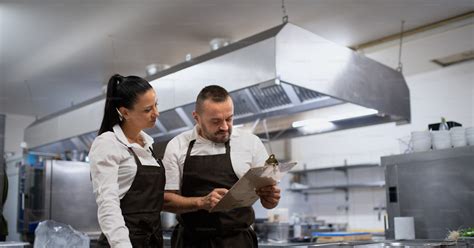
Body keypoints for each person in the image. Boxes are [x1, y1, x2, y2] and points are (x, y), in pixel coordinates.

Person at [162, 85, 281, 248]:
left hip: (238, 241)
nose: (225, 127)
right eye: (216, 121)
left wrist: (271, 198)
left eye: (229, 119)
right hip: (191, 241)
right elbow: (166, 201)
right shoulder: (177, 146)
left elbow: (269, 202)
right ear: (196, 118)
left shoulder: (251, 143)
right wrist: (201, 202)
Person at [89, 74, 165, 248]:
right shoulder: (108, 143)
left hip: (152, 241)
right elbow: (108, 204)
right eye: (148, 110)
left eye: (156, 105)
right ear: (125, 112)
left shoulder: (148, 145)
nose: (156, 113)